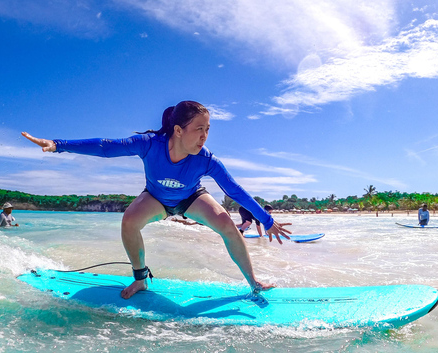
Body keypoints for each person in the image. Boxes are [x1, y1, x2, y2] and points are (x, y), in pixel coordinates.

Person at [22, 101, 290, 299]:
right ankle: (140, 279)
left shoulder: (206, 159)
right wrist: (58, 144)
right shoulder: (150, 143)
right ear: (177, 130)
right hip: (156, 198)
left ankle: (254, 283)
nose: (204, 136)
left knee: (229, 227)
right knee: (129, 221)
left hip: (192, 197)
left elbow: (234, 190)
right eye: (199, 129)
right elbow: (106, 147)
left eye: (207, 129)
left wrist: (266, 220)